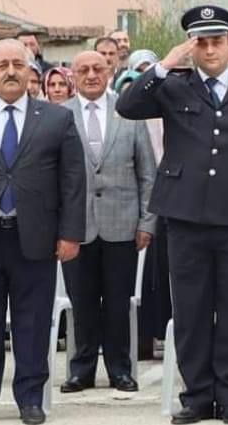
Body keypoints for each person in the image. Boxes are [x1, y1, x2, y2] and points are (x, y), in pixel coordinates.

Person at [116, 5, 228, 425]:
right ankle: (196, 395)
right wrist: (165, 63)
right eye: (201, 42)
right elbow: (127, 105)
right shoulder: (173, 86)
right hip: (186, 215)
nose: (210, 50)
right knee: (190, 310)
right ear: (192, 46)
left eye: (217, 41)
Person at [0, 39, 86, 425]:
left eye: (18, 64)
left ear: (31, 72)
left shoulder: (57, 119)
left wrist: (70, 233)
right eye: (2, 65)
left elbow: (72, 181)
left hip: (36, 238)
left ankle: (31, 400)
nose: (10, 71)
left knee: (31, 322)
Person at [59, 51, 156, 395]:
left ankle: (120, 369)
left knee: (118, 302)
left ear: (110, 71)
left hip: (123, 225)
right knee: (81, 302)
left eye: (97, 68)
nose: (90, 75)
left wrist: (147, 222)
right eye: (82, 69)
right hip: (76, 227)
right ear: (73, 75)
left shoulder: (129, 114)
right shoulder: (59, 116)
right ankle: (81, 370)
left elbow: (148, 174)